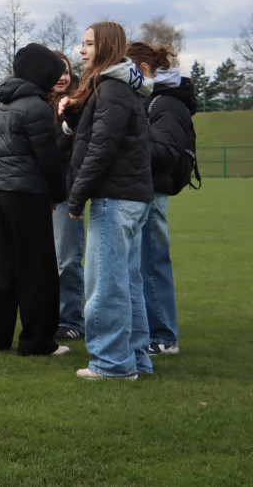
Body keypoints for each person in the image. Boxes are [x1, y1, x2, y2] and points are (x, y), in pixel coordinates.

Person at [60, 22, 153, 381]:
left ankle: (112, 364)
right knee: (127, 283)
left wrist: (76, 197)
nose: (82, 50)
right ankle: (136, 360)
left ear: (108, 47)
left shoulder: (112, 89)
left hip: (114, 199)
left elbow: (101, 149)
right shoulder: (117, 87)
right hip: (129, 198)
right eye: (82, 44)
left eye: (89, 44)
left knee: (107, 285)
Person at [0, 43, 69, 357]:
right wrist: (58, 195)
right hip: (28, 195)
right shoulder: (37, 107)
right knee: (38, 270)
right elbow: (48, 159)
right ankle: (37, 342)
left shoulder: (7, 103)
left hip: (0, 192)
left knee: (3, 267)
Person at [127, 41, 196, 357]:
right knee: (144, 263)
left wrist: (125, 144)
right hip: (141, 189)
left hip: (152, 192)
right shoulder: (155, 99)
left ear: (141, 70)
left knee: (152, 262)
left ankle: (163, 336)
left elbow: (165, 153)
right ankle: (152, 331)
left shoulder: (165, 103)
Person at [49, 51, 86, 341]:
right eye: (56, 71)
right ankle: (48, 317)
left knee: (68, 259)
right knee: (46, 260)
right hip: (41, 194)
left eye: (66, 71)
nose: (62, 77)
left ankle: (71, 319)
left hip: (66, 194)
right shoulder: (37, 105)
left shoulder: (78, 104)